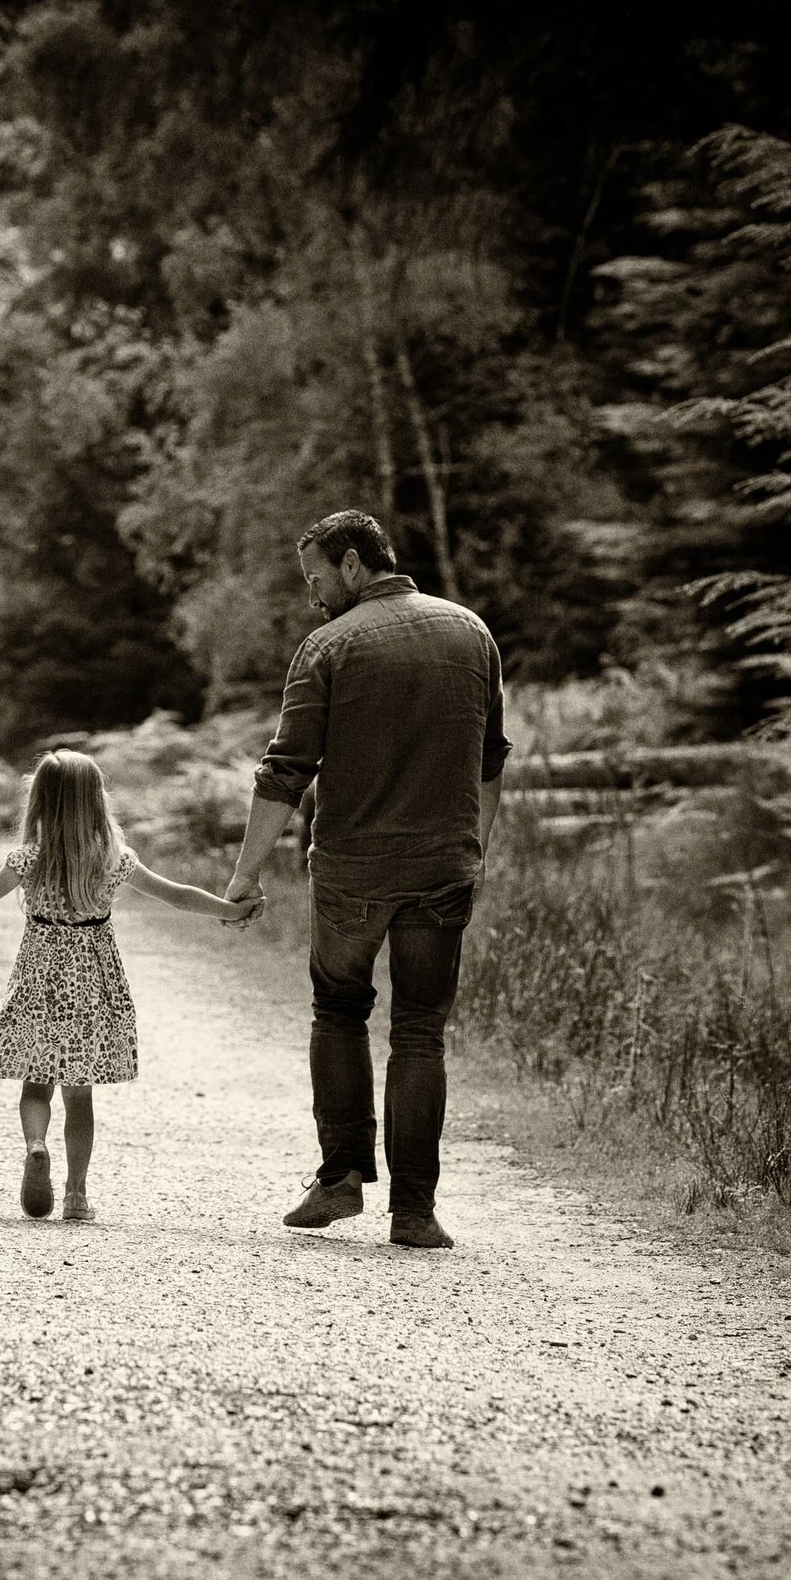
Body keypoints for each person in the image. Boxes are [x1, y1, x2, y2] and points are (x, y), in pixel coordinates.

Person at [223, 511, 510, 1250]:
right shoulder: (472, 633)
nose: (313, 596)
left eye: (317, 578)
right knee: (421, 1031)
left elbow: (285, 770)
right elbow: (491, 758)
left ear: (353, 565)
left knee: (340, 1009)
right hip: (444, 867)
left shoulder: (328, 646)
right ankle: (414, 1210)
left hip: (355, 870)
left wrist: (244, 876)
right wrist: (474, 852)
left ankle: (342, 1175)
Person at [0, 749, 246, 1221]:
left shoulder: (27, 860)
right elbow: (178, 896)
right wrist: (232, 910)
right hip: (94, 989)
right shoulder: (116, 861)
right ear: (96, 802)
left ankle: (36, 1145)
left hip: (39, 984)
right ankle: (76, 1195)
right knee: (80, 1096)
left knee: (36, 1086)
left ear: (39, 803)